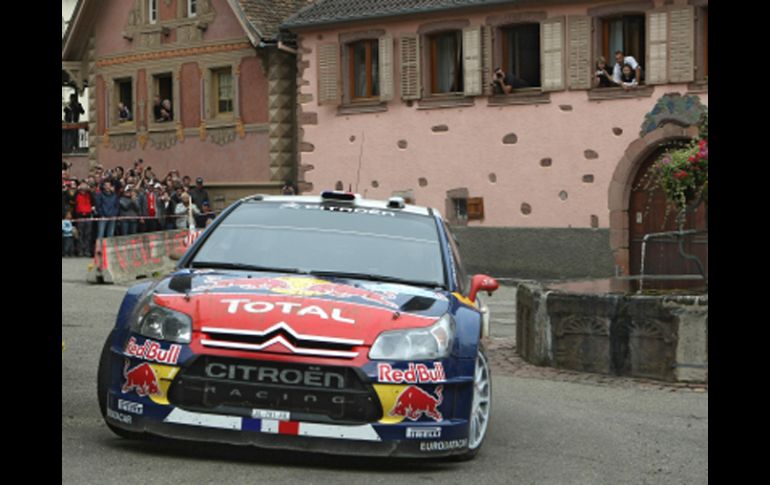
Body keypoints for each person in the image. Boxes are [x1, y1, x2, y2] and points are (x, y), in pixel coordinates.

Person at [74, 182, 95, 256]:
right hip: (80, 216)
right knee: (80, 234)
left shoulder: (89, 195)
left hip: (88, 216)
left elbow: (93, 199)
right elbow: (73, 197)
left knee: (88, 235)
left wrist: (88, 189)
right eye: (82, 189)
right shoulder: (77, 195)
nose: (83, 190)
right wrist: (78, 188)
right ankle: (80, 251)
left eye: (84, 189)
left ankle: (87, 250)